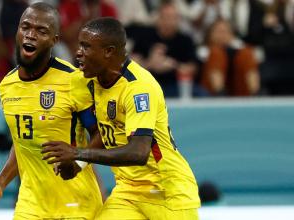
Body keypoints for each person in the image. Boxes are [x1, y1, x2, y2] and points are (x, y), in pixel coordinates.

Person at [42, 17, 201, 219]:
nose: (78, 53)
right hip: (128, 191)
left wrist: (77, 153)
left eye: (86, 47)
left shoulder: (139, 88)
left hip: (166, 191)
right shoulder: (88, 81)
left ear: (108, 51)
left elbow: (138, 152)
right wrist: (77, 165)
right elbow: (104, 132)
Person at [0, 2, 102, 219]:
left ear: (54, 40)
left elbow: (100, 134)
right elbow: (22, 141)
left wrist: (78, 162)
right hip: (31, 204)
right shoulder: (7, 86)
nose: (30, 35)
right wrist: (0, 183)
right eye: (25, 27)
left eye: (41, 31)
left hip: (75, 203)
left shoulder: (74, 81)